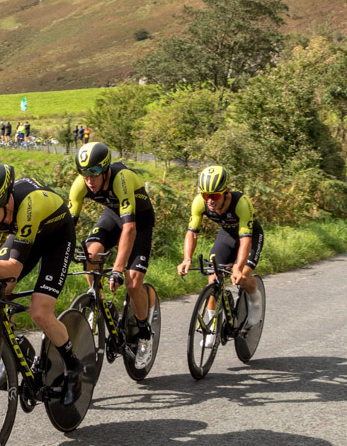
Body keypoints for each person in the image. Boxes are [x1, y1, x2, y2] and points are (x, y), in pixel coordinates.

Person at [0, 164, 86, 405]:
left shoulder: (29, 205)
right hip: (26, 235)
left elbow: (13, 268)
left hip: (57, 238)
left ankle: (73, 366)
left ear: (5, 200)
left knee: (39, 311)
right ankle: (15, 348)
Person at [68, 141, 157, 340]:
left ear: (106, 167)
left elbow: (130, 228)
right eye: (84, 173)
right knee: (90, 255)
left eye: (94, 171)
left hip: (139, 221)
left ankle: (143, 330)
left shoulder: (120, 179)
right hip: (112, 216)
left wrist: (117, 268)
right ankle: (97, 301)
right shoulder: (80, 184)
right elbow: (67, 226)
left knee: (132, 283)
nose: (89, 179)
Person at [177, 165, 264, 347]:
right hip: (226, 236)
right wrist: (187, 259)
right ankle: (213, 328)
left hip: (250, 237)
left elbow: (245, 240)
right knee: (213, 279)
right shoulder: (200, 203)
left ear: (226, 192)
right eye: (205, 195)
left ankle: (254, 296)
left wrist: (238, 268)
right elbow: (192, 233)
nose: (209, 200)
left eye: (215, 195)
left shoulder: (241, 203)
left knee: (241, 277)